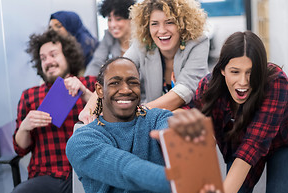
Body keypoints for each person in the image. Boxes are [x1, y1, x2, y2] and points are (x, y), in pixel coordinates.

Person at [65, 56, 229, 193]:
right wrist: (183, 179)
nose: (125, 89)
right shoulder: (82, 141)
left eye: (132, 82)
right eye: (115, 82)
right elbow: (126, 169)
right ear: (99, 90)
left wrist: (188, 142)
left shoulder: (156, 118)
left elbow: (175, 131)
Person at [190, 31, 288, 193]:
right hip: (241, 143)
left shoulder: (276, 83)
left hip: (285, 145)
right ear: (223, 70)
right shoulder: (208, 87)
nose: (243, 81)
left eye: (251, 72)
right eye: (235, 71)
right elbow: (198, 137)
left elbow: (252, 148)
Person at [0, 29, 96, 193]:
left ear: (67, 55)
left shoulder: (90, 85)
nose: (48, 61)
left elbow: (111, 119)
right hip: (46, 176)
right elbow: (19, 148)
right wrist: (25, 126)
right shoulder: (30, 95)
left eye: (53, 54)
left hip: (85, 174)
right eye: (43, 58)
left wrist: (85, 92)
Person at [78, 0, 210, 124]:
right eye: (154, 23)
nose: (162, 30)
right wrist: (90, 109)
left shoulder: (199, 42)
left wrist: (139, 111)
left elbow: (184, 91)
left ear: (182, 24)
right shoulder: (143, 43)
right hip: (154, 117)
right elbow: (115, 71)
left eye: (169, 22)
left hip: (193, 115)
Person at [84, 0, 135, 77]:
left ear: (131, 18)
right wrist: (85, 82)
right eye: (109, 20)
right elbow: (97, 62)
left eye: (118, 19)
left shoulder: (140, 38)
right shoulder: (109, 36)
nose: (112, 25)